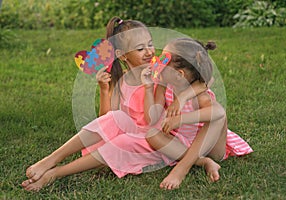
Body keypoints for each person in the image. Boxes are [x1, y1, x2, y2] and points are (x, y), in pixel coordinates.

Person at [21, 16, 166, 192]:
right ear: (122, 55)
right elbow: (107, 120)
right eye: (140, 48)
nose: (150, 51)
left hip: (155, 140)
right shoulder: (123, 82)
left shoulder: (160, 76)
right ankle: (51, 159)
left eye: (150, 44)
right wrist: (104, 90)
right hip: (132, 132)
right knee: (117, 117)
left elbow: (154, 120)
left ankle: (55, 173)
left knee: (121, 142)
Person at [141, 38, 253, 190]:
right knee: (152, 134)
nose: (158, 63)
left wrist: (180, 119)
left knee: (218, 117)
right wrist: (149, 87)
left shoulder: (199, 95)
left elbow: (219, 111)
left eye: (164, 60)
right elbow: (152, 118)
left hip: (211, 145)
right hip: (182, 142)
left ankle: (181, 169)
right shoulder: (164, 85)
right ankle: (202, 162)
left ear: (179, 74)